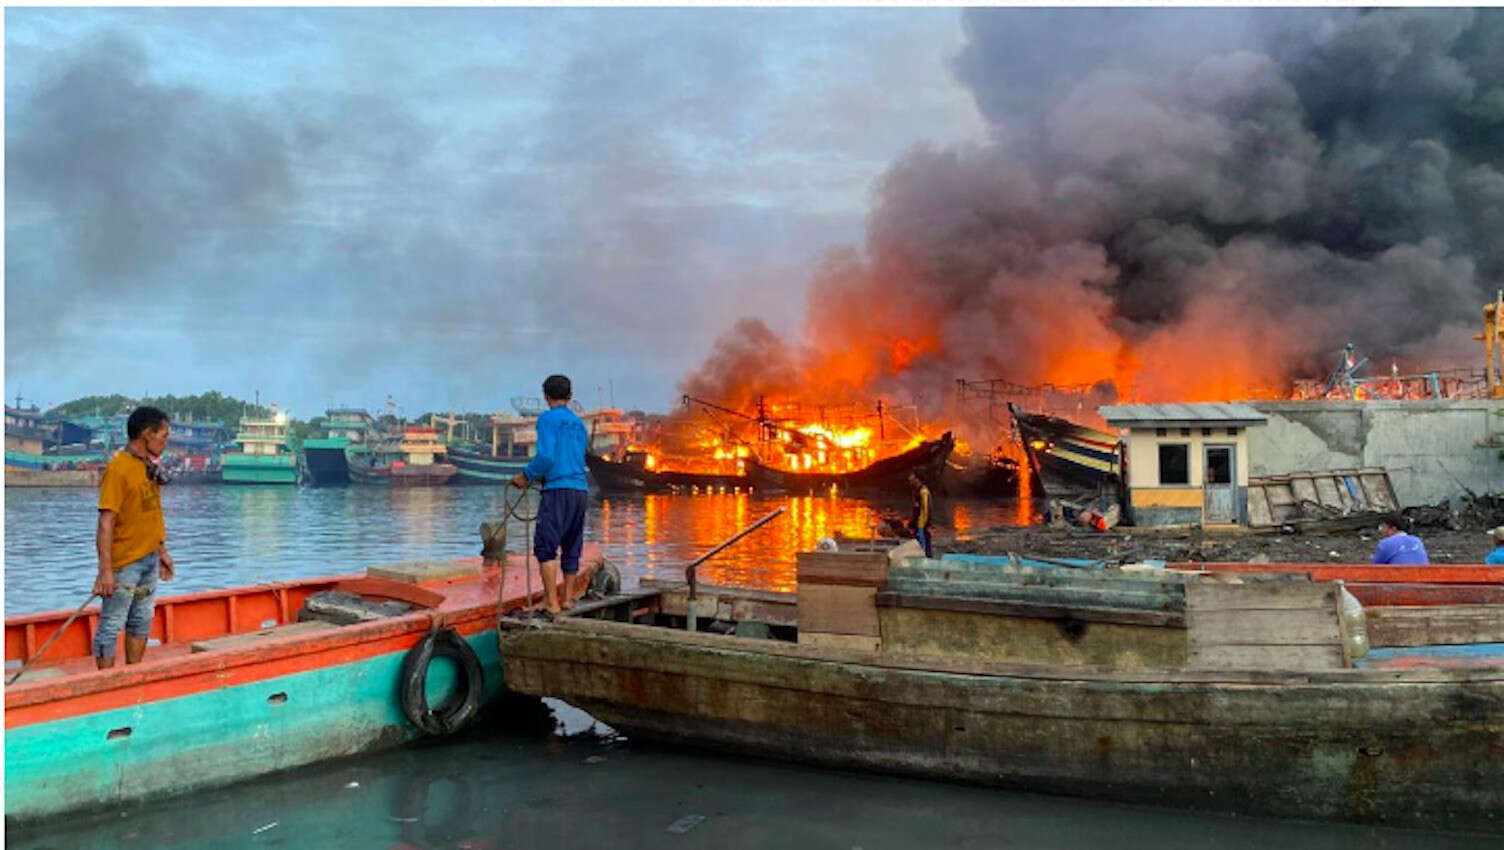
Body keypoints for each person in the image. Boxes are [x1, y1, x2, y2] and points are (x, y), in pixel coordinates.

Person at [93, 406, 175, 668]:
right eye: (163, 436)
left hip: (149, 559)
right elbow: (106, 522)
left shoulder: (147, 467)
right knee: (112, 624)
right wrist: (105, 571)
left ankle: (133, 677)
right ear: (147, 435)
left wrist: (161, 552)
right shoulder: (119, 469)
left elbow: (152, 513)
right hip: (124, 564)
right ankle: (105, 684)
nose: (165, 442)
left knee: (141, 622)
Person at [510, 375, 589, 613]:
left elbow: (546, 457)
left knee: (546, 546)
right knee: (572, 544)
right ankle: (567, 600)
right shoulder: (579, 424)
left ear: (546, 396)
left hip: (557, 491)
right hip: (580, 491)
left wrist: (526, 476)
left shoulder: (547, 419)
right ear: (570, 396)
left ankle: (551, 602)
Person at [907, 472, 934, 559]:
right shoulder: (916, 491)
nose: (910, 479)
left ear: (917, 479)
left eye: (912, 476)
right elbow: (916, 510)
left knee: (924, 549)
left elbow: (926, 509)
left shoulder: (923, 492)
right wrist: (912, 523)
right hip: (917, 525)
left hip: (922, 526)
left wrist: (925, 525)